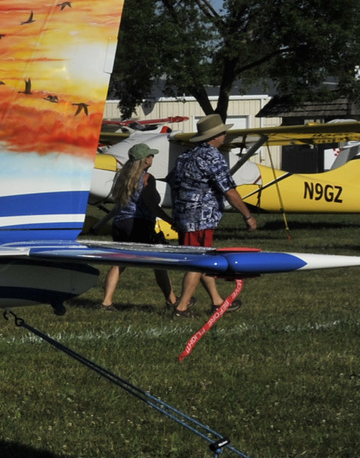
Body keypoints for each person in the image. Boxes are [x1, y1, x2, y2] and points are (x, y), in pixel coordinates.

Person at [168, 113, 258, 316]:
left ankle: (217, 301)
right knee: (198, 262)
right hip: (201, 218)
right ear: (216, 136)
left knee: (202, 259)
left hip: (184, 216)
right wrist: (247, 216)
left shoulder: (184, 156)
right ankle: (182, 307)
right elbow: (228, 190)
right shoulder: (212, 157)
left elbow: (174, 186)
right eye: (223, 132)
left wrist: (177, 214)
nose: (225, 135)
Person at [98, 143, 174, 310]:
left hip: (120, 224)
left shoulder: (123, 177)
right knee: (159, 261)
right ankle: (172, 300)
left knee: (119, 262)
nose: (152, 158)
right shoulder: (147, 178)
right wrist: (170, 221)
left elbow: (118, 206)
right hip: (139, 224)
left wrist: (102, 222)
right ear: (145, 160)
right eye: (150, 155)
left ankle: (106, 301)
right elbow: (151, 205)